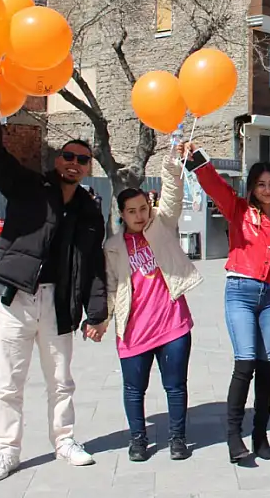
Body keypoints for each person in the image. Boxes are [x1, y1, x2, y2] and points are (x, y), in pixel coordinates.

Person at [0, 113, 108, 482]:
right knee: (10, 381)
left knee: (62, 380)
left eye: (83, 159)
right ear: (58, 159)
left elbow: (94, 263)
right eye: (69, 156)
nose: (75, 163)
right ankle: (7, 451)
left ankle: (64, 440)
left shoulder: (89, 209)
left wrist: (96, 313)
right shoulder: (28, 187)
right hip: (17, 296)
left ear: (88, 168)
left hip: (58, 302)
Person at [187, 144, 270, 464]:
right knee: (246, 362)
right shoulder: (239, 211)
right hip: (241, 293)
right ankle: (234, 436)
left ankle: (260, 434)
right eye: (261, 184)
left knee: (266, 367)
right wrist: (196, 159)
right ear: (252, 187)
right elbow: (214, 185)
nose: (267, 189)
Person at [105, 144, 202, 463]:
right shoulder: (113, 247)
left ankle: (178, 438)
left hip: (172, 325)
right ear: (121, 214)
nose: (138, 215)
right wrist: (100, 319)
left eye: (142, 208)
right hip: (133, 331)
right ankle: (138, 440)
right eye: (131, 211)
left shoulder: (161, 225)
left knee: (175, 387)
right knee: (134, 390)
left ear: (149, 206)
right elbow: (108, 287)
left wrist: (173, 162)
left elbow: (173, 195)